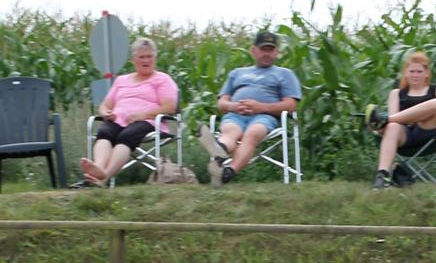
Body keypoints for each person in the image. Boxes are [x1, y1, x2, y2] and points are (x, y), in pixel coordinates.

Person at [198, 30, 301, 185]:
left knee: (252, 134)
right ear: (253, 51)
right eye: (263, 49)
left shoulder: (284, 74)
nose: (267, 53)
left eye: (270, 50)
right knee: (231, 132)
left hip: (264, 117)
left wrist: (261, 107)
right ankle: (220, 149)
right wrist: (234, 106)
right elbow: (221, 103)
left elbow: (291, 105)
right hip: (236, 114)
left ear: (276, 52)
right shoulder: (237, 73)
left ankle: (228, 171)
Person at [77, 37, 179, 187]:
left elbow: (169, 107)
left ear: (155, 58)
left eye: (149, 56)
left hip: (147, 121)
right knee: (105, 131)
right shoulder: (121, 80)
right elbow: (106, 104)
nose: (146, 60)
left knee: (127, 136)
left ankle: (104, 177)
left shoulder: (162, 79)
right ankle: (98, 168)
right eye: (142, 57)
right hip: (119, 119)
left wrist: (143, 115)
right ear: (133, 60)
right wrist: (105, 112)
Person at [368, 50, 436, 189]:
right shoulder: (396, 94)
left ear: (426, 73)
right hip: (406, 136)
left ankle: (384, 119)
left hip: (430, 134)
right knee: (391, 126)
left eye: (419, 71)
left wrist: (425, 115)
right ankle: (383, 175)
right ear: (406, 73)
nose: (415, 75)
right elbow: (395, 125)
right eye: (412, 71)